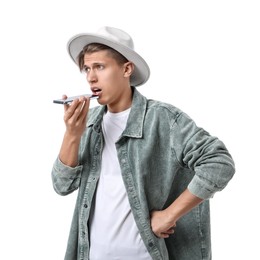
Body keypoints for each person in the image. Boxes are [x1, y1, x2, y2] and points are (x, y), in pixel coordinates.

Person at [51, 26, 235, 260]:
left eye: (100, 66)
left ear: (127, 69)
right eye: (87, 68)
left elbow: (218, 162)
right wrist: (72, 134)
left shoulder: (163, 119)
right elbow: (61, 186)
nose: (91, 77)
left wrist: (169, 216)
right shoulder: (88, 122)